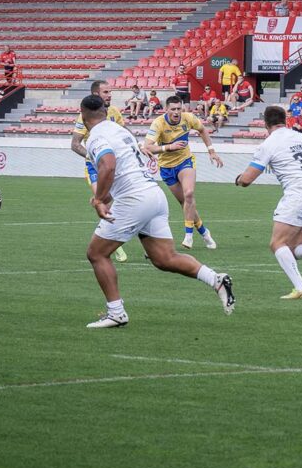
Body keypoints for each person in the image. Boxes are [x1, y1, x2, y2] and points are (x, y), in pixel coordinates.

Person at [80, 95, 233, 328]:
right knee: (164, 259)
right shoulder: (120, 130)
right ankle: (217, 280)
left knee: (97, 254)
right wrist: (103, 197)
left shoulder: (96, 137)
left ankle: (116, 312)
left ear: (83, 114)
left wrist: (100, 199)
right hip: (153, 194)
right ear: (105, 111)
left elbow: (108, 165)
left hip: (135, 199)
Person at [234, 104, 302, 299]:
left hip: (298, 194)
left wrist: (239, 179)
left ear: (266, 124)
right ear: (286, 120)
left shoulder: (269, 143)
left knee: (277, 243)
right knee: (290, 248)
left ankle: (301, 288)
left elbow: (247, 180)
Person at [142, 96, 223, 250]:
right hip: (166, 167)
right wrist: (168, 147)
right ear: (167, 109)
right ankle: (204, 232)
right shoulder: (158, 123)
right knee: (185, 202)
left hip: (185, 161)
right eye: (173, 109)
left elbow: (202, 130)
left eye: (179, 108)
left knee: (189, 194)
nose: (177, 112)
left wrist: (211, 151)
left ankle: (189, 236)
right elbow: (147, 147)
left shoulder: (188, 118)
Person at [70, 80, 130, 262]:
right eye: (105, 92)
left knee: (120, 199)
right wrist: (93, 157)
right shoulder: (85, 117)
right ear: (96, 95)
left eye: (110, 91)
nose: (109, 94)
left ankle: (112, 238)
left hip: (115, 163)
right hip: (95, 166)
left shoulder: (115, 112)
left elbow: (125, 132)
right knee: (103, 201)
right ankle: (111, 243)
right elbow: (75, 144)